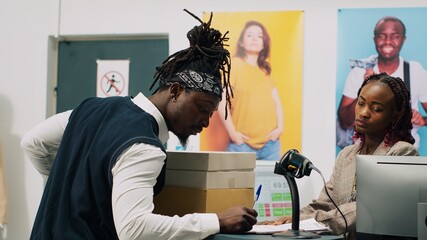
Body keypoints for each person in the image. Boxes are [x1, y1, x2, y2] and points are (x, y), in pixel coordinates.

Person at [20, 10, 257, 240]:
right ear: (175, 91)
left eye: (212, 113)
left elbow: (33, 142)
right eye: (203, 108)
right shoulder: (144, 146)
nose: (206, 121)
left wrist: (68, 190)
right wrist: (217, 221)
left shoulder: (91, 109)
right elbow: (134, 230)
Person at [268, 73, 419, 239]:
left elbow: (366, 209)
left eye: (376, 109)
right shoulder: (346, 154)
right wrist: (286, 221)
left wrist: (302, 222)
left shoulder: (401, 152)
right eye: (360, 103)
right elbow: (325, 204)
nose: (363, 113)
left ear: (395, 115)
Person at [337, 16, 427, 150]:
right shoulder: (360, 71)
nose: (388, 41)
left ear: (404, 39)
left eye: (395, 36)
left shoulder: (415, 71)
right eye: (382, 36)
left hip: (403, 154)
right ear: (375, 39)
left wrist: (423, 120)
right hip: (363, 154)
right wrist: (367, 87)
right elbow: (345, 122)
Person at [217, 20, 284, 160]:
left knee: (269, 182)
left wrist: (279, 129)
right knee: (238, 182)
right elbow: (221, 102)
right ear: (241, 42)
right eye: (249, 35)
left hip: (270, 146)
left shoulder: (265, 70)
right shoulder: (233, 65)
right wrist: (233, 134)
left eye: (259, 36)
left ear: (264, 43)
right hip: (241, 145)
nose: (255, 39)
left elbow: (277, 103)